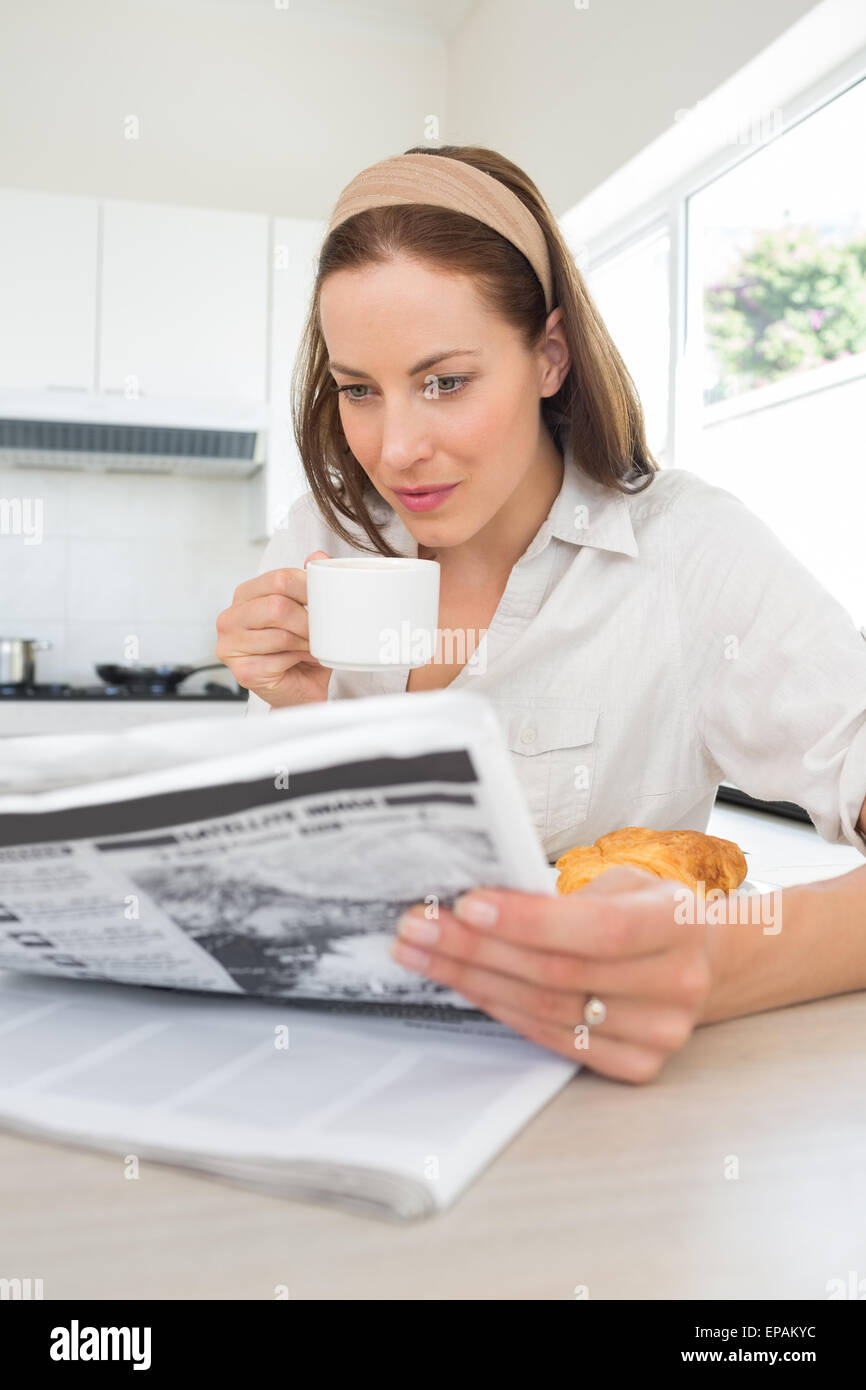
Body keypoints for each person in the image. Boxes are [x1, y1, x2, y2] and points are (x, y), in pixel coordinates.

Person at [216, 145, 866, 1084]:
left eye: (445, 381)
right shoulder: (327, 537)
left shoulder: (688, 553)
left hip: (611, 1120)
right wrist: (300, 719)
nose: (396, 450)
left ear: (549, 356)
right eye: (360, 389)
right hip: (342, 1074)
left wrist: (713, 961)